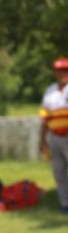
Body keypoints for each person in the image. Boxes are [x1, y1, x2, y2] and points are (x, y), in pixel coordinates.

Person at [40, 56, 68, 214]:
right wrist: (42, 139)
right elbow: (44, 118)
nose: (62, 73)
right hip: (54, 137)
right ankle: (65, 204)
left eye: (65, 70)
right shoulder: (50, 90)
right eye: (59, 70)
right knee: (59, 171)